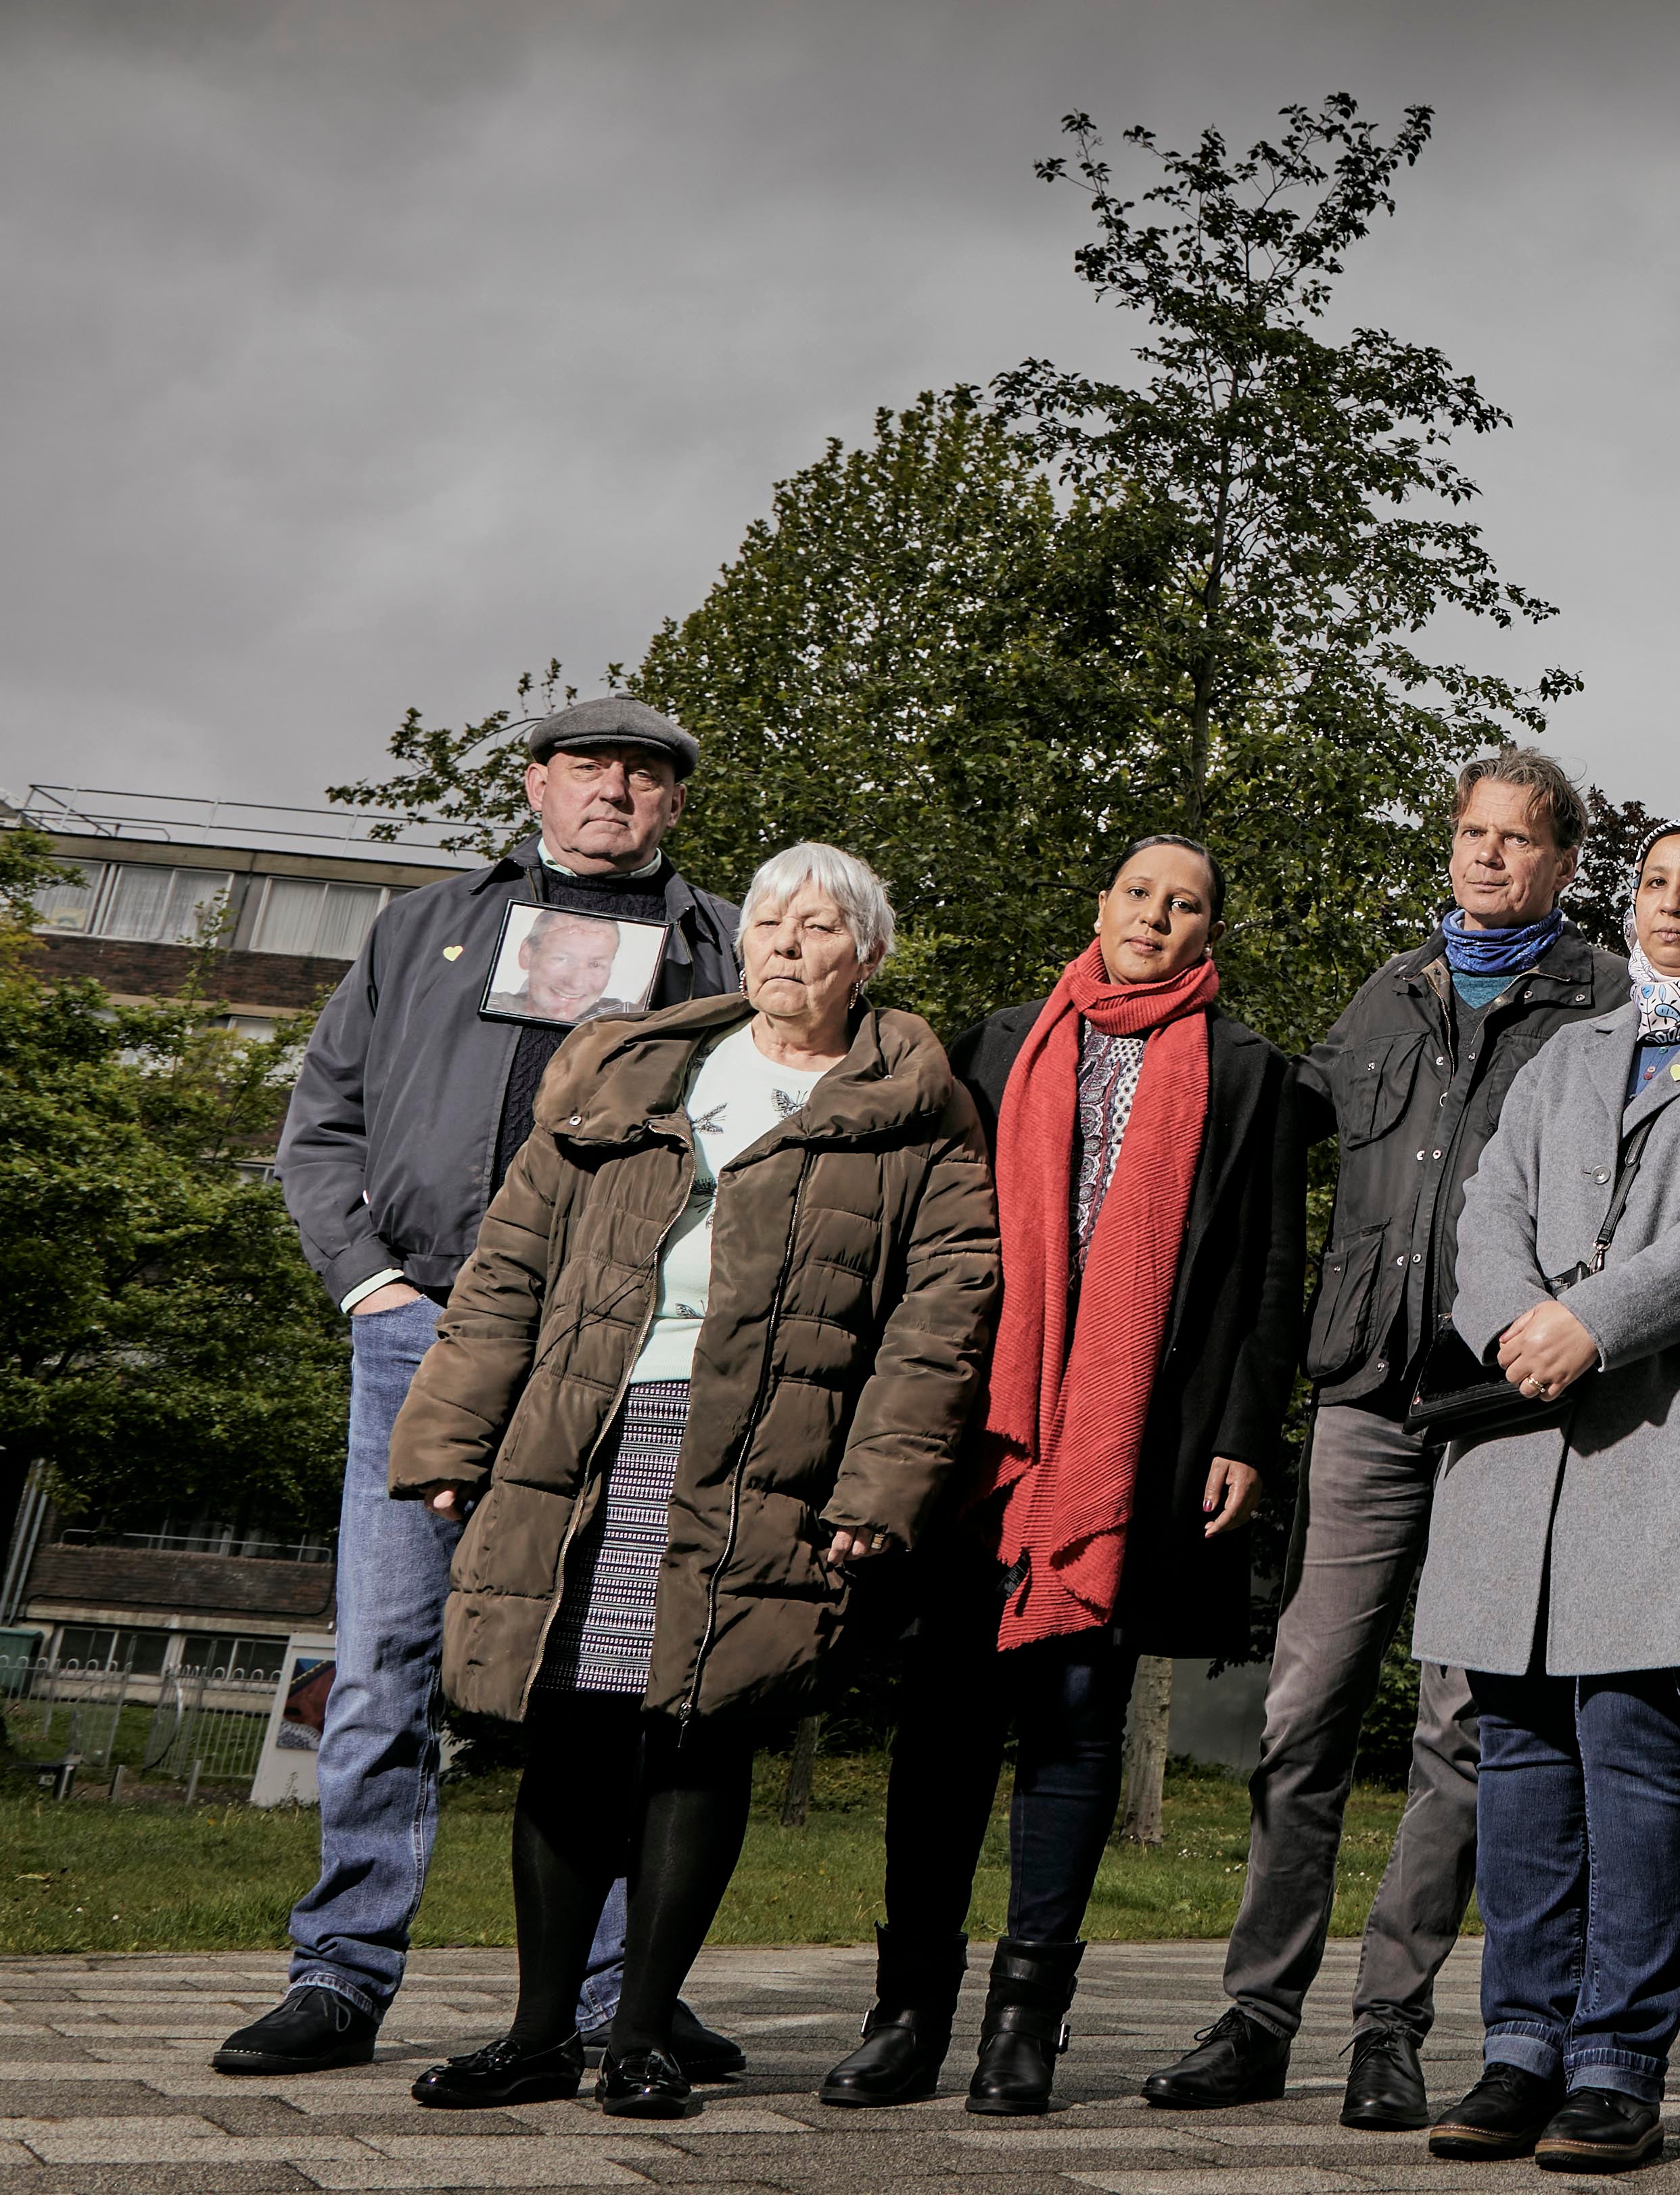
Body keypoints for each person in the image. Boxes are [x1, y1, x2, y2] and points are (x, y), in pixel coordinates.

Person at [385, 844, 998, 2118]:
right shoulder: (632, 1070)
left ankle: (643, 2035)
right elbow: (507, 1267)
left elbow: (941, 1318)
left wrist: (880, 1493)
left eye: (819, 926)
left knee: (699, 1725)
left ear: (865, 959)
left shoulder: (915, 1107)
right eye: (770, 918)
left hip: (767, 1453)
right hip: (589, 1430)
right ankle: (540, 2032)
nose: (784, 941)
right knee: (570, 1723)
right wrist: (450, 1438)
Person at [221, 697, 748, 2081]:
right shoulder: (419, 926)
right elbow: (318, 1122)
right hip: (429, 1322)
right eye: (592, 765)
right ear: (536, 782)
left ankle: (611, 1987)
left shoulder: (731, 944)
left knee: (610, 1665)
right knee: (388, 1649)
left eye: (648, 773)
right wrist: (368, 1283)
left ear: (677, 803)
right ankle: (342, 1974)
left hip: (622, 1349)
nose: (618, 789)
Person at [1151, 746, 1631, 2130]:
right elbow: (1274, 1115)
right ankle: (1256, 2012)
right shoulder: (1390, 990)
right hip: (1363, 1391)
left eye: (1517, 840)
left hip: (1502, 1401)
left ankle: (1390, 2021)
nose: (1487, 859)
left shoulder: (1601, 997)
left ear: (1561, 862)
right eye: (1471, 834)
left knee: (1460, 1723)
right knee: (1302, 1705)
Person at [818, 835, 1320, 2119]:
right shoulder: (995, 1046)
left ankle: (1022, 2028)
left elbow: (1271, 1268)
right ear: (1101, 907)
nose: (1158, 917)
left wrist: (1247, 1433)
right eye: (1141, 894)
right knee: (942, 1723)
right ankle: (907, 2017)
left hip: (1142, 1432)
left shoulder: (1251, 1074)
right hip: (980, 1432)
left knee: (1077, 1721)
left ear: (1210, 933)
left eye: (1188, 904)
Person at [1411, 817, 1680, 2172]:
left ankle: (1617, 2064)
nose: (1675, 905)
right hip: (1522, 1438)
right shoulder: (1565, 1049)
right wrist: (1523, 1320)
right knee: (1516, 1746)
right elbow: (1484, 1212)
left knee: (1636, 1747)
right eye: (1655, 883)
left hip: (1659, 1432)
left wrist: (1592, 1322)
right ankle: (1519, 2044)